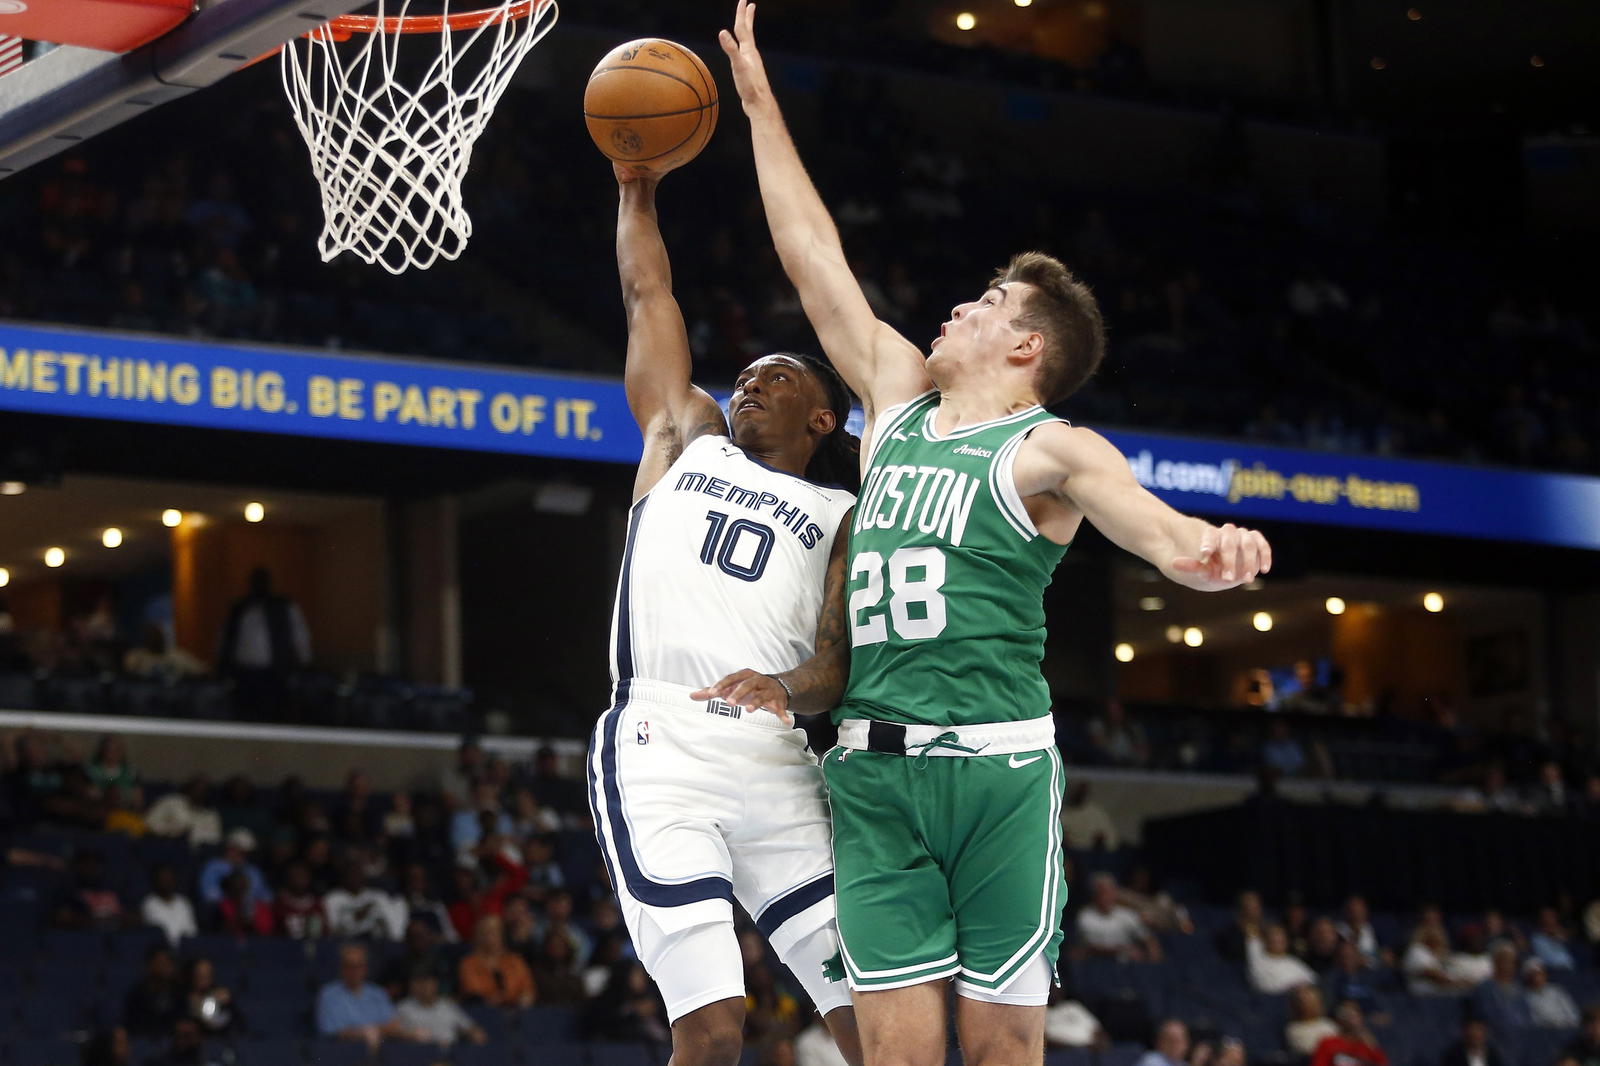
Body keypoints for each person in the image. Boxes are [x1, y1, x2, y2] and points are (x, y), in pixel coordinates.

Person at [701, 7, 1272, 1064]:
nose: (956, 307)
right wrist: (757, 104)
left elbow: (1158, 533)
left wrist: (1212, 551)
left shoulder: (1053, 451)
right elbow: (809, 254)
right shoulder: (893, 399)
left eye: (984, 301)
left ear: (1022, 343)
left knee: (1006, 1050)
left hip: (998, 774)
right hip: (874, 775)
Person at [585, 143, 863, 1066]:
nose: (749, 381)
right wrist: (636, 190)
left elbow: (834, 665)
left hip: (778, 758)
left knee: (870, 1016)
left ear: (823, 420)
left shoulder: (844, 513)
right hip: (665, 741)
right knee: (714, 1025)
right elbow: (647, 297)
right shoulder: (683, 438)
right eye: (745, 373)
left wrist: (789, 686)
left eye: (777, 377)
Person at [316, 943, 426, 1053]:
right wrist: (363, 1033)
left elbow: (393, 1026)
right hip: (344, 1052)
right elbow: (332, 1032)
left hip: (382, 1050)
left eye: (359, 966)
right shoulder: (329, 995)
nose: (354, 971)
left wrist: (374, 1031)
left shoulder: (377, 993)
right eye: (349, 966)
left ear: (365, 968)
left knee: (420, 1036)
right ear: (342, 968)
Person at [1073, 874, 1160, 962]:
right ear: (1095, 895)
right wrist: (1122, 950)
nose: (1107, 897)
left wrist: (1151, 959)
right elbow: (1091, 948)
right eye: (1103, 893)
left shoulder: (1127, 915)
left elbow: (1148, 939)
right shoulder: (1084, 916)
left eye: (1110, 892)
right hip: (1095, 965)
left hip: (1125, 967)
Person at [458, 913, 536, 1009]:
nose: (490, 937)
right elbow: (472, 992)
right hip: (481, 1013)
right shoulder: (469, 964)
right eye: (486, 932)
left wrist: (523, 1002)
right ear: (478, 935)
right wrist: (491, 1000)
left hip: (515, 1014)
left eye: (495, 932)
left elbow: (528, 991)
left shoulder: (516, 961)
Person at [395, 971, 486, 1047]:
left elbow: (468, 1026)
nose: (425, 987)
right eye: (421, 983)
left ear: (436, 985)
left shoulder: (447, 1005)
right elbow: (394, 1033)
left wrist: (474, 1032)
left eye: (429, 982)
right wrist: (409, 1035)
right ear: (413, 986)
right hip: (421, 1054)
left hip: (452, 1052)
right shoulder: (403, 1008)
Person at [1310, 1000, 1387, 1066]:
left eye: (1355, 1014)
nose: (1351, 1018)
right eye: (1347, 1014)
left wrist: (1372, 1045)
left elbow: (1382, 1063)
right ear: (1339, 1019)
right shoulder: (1328, 1043)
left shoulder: (1367, 1046)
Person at [1249, 925, 1317, 995]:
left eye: (1281, 937)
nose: (1278, 940)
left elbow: (1312, 979)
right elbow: (1264, 986)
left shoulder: (1293, 961)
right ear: (1265, 940)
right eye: (1274, 936)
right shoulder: (1259, 960)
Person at [1523, 957, 1580, 1029]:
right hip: (1547, 1032)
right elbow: (1535, 1021)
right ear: (1528, 977)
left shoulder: (1556, 990)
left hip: (1567, 1027)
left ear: (1544, 974)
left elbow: (1572, 1013)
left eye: (1539, 974)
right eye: (1533, 975)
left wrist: (1571, 1024)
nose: (1537, 978)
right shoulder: (1526, 997)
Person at [1286, 985, 1338, 1056]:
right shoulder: (1294, 1029)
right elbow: (1308, 1052)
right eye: (1304, 1001)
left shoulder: (1329, 1025)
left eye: (1313, 1001)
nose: (1312, 1006)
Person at [1438, 1017, 1505, 1066]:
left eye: (1479, 1031)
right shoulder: (1453, 1057)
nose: (1476, 1036)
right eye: (1473, 1034)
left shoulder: (1493, 1056)